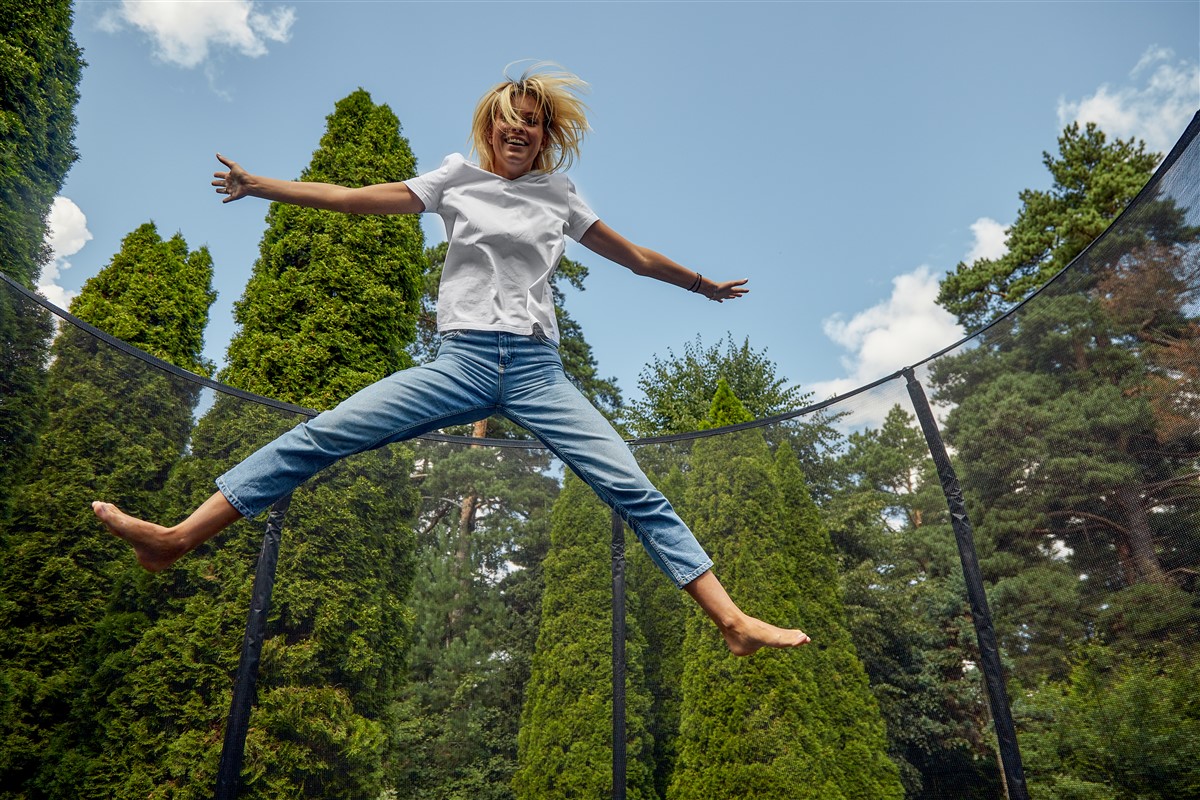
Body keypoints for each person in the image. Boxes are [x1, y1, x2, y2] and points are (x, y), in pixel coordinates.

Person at [93, 64, 810, 657]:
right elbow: (351, 200)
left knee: (632, 487)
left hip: (537, 371)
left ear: (545, 136)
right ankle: (176, 538)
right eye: (508, 119)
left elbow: (633, 256)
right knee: (323, 434)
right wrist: (261, 186)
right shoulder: (454, 180)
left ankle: (731, 621)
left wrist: (701, 284)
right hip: (458, 361)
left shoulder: (558, 195)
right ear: (490, 129)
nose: (519, 129)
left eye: (531, 121)